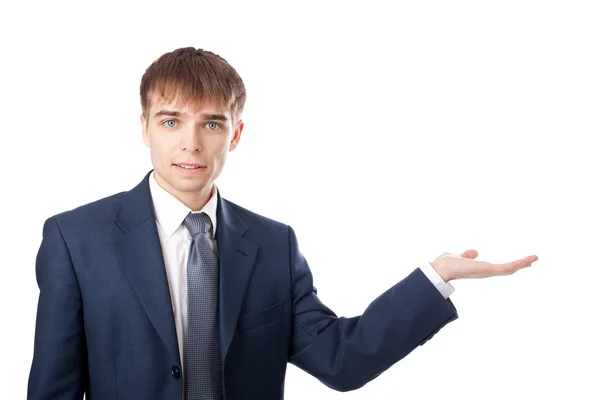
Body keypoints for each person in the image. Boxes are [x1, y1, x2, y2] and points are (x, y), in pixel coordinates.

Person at [27, 47, 539, 400]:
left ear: (236, 134)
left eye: (211, 123)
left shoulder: (272, 245)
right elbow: (54, 388)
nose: (190, 143)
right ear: (144, 128)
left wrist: (436, 278)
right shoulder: (76, 239)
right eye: (170, 121)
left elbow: (342, 360)